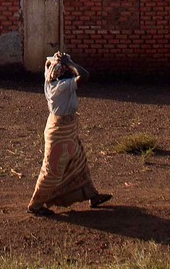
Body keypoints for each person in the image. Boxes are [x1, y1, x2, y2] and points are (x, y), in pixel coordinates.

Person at [27, 51, 111, 216]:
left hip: (66, 130)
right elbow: (84, 75)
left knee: (79, 161)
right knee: (52, 170)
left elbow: (48, 65)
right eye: (66, 69)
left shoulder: (51, 79)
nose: (69, 71)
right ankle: (35, 204)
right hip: (60, 134)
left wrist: (63, 60)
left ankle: (92, 195)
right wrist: (70, 63)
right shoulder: (61, 87)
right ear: (61, 73)